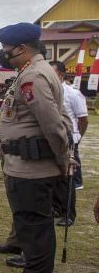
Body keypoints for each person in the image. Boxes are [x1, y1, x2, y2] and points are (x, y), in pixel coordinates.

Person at [0, 22, 72, 272]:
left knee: (35, 233)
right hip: (25, 165)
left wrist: (63, 158)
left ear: (20, 48)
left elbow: (51, 123)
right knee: (34, 231)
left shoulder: (33, 76)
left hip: (32, 170)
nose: (3, 53)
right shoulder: (31, 71)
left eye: (5, 48)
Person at [50, 61, 87, 227]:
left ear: (61, 75)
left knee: (67, 178)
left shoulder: (72, 93)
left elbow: (83, 119)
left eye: (52, 73)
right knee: (54, 176)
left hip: (69, 138)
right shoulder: (48, 91)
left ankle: (68, 213)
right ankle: (56, 207)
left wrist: (77, 138)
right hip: (53, 139)